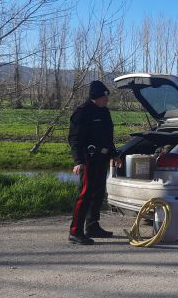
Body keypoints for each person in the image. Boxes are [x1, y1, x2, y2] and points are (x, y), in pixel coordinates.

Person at [68, 80, 122, 245]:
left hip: (102, 159)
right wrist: (78, 161)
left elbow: (107, 137)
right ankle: (75, 232)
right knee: (85, 195)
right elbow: (74, 139)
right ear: (97, 97)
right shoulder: (82, 112)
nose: (107, 100)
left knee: (98, 194)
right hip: (88, 160)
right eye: (105, 97)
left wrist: (114, 154)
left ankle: (92, 226)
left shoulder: (104, 112)